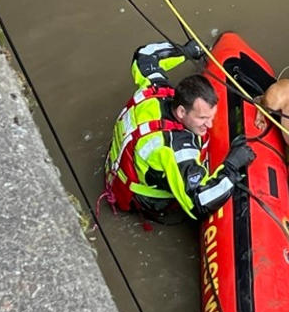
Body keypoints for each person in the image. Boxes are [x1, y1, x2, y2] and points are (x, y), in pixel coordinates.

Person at [102, 40, 255, 221]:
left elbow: (144, 54)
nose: (210, 125)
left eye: (211, 117)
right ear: (182, 111)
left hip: (119, 164)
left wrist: (186, 51)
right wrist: (232, 165)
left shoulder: (155, 89)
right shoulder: (177, 150)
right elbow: (200, 203)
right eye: (202, 119)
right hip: (144, 197)